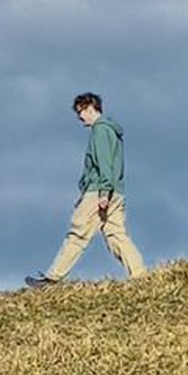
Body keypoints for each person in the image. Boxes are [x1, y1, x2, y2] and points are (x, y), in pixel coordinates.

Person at [25, 93, 147, 287]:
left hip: (99, 191)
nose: (80, 117)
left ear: (90, 108)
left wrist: (102, 193)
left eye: (80, 112)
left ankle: (52, 278)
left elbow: (104, 163)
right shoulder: (111, 131)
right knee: (116, 235)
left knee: (78, 234)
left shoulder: (100, 130)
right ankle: (140, 276)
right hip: (116, 191)